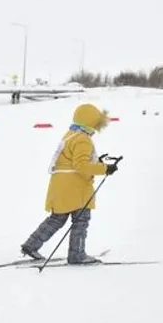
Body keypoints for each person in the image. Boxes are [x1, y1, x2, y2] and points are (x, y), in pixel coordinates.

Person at [20, 103, 119, 264]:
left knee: (57, 219)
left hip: (61, 185)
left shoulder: (70, 134)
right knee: (81, 220)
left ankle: (31, 245)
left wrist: (97, 162)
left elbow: (72, 161)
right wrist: (105, 168)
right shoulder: (83, 140)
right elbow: (80, 166)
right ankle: (77, 254)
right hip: (75, 188)